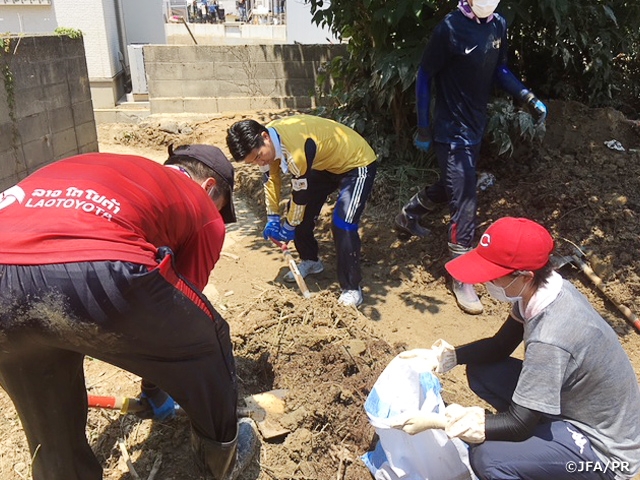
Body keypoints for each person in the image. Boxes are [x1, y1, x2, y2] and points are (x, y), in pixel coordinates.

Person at [0, 145, 258, 480]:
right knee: (211, 343)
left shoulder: (119, 169)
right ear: (209, 187)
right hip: (95, 265)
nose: (217, 214)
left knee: (51, 422)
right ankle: (221, 464)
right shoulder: (202, 208)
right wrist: (155, 388)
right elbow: (173, 321)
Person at [397, 217, 640, 480]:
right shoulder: (543, 291)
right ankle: (539, 450)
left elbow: (518, 424)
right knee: (482, 370)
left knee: (489, 459)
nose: (484, 282)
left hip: (605, 455)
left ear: (524, 276)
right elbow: (500, 346)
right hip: (576, 409)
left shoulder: (551, 336)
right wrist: (448, 356)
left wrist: (443, 422)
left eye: (493, 275)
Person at [394, 0, 548, 315]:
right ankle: (460, 274)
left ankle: (409, 213)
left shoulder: (498, 25)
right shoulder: (449, 29)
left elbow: (500, 69)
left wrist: (527, 96)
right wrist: (423, 127)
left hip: (475, 126)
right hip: (450, 130)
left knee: (455, 184)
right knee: (465, 199)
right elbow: (424, 75)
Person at [226, 115, 377, 307]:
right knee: (299, 214)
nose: (259, 162)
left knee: (342, 222)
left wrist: (289, 225)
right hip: (325, 164)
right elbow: (271, 180)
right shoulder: (268, 142)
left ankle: (352, 289)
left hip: (356, 163)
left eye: (258, 156)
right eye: (252, 162)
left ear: (265, 136)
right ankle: (311, 260)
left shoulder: (295, 149)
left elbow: (301, 193)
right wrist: (272, 217)